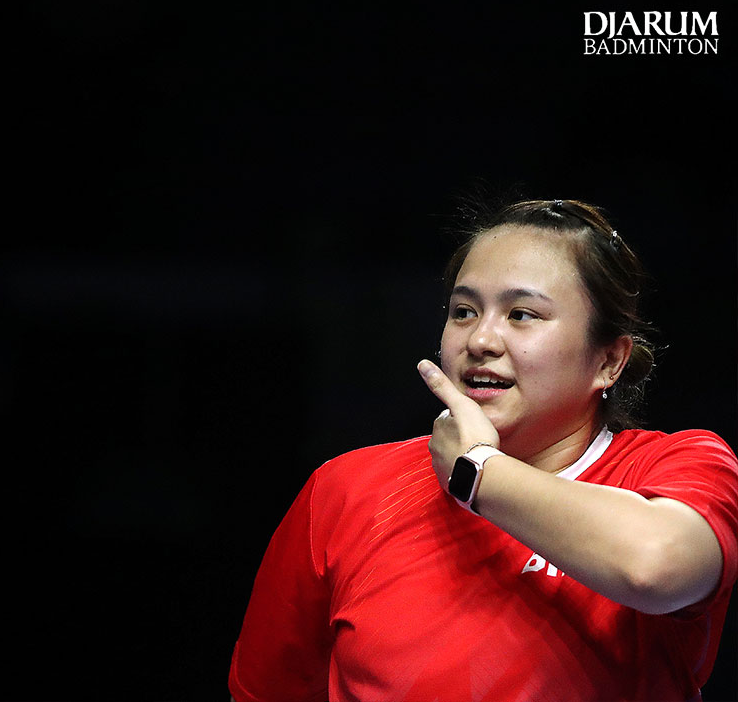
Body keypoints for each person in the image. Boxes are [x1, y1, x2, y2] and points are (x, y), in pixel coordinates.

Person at [228, 199, 738, 702]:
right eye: (464, 312)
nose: (480, 340)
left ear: (609, 361)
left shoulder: (678, 467)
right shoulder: (347, 489)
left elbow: (654, 566)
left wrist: (476, 471)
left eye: (521, 314)